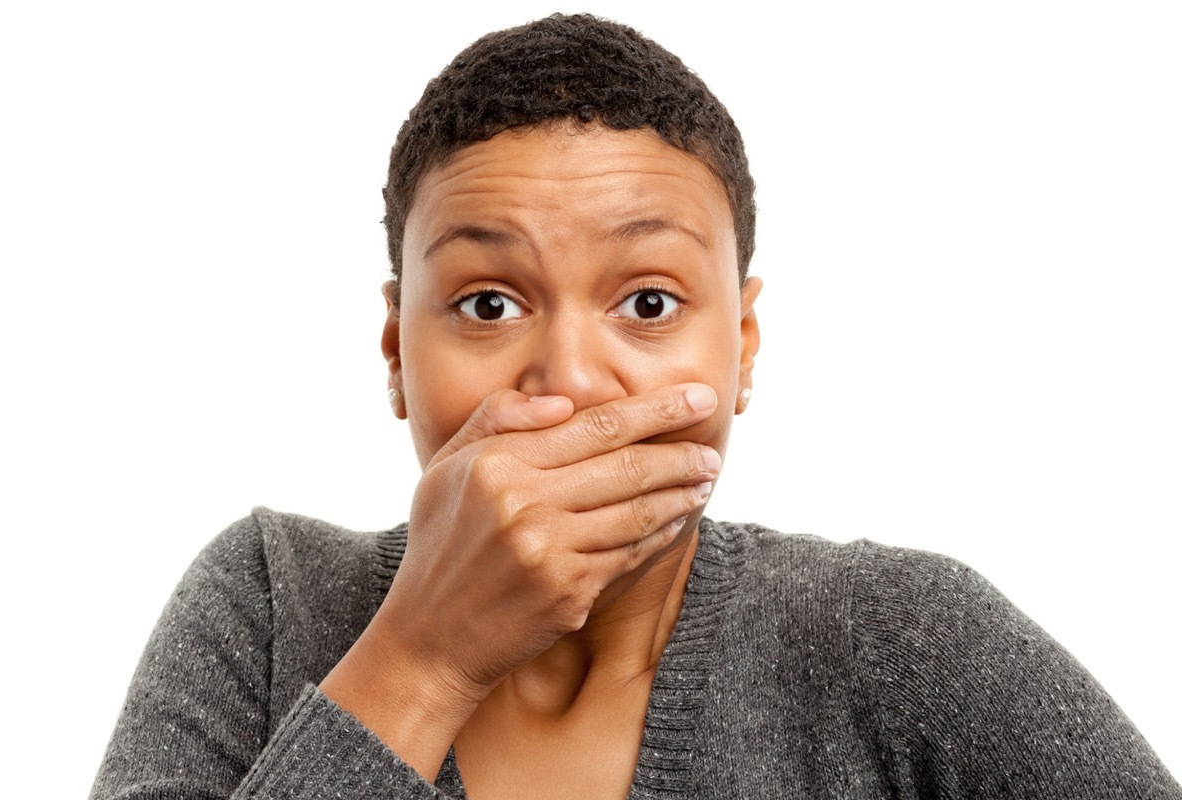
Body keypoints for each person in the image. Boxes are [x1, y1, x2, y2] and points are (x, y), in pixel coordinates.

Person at [90, 13, 1180, 799]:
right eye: (487, 300)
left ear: (741, 347)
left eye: (649, 301)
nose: (568, 377)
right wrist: (424, 657)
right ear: (394, 352)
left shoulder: (901, 637)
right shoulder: (267, 604)